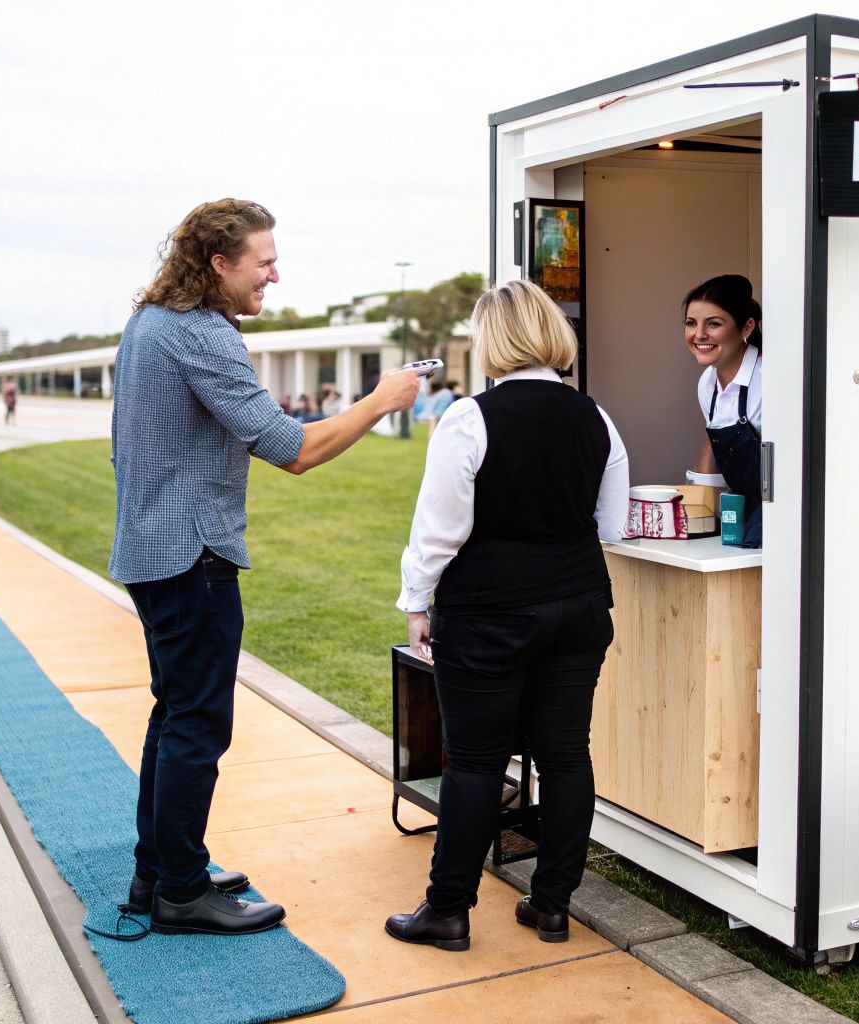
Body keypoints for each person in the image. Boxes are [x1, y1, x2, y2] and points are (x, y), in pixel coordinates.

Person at [109, 198, 419, 937]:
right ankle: (182, 892)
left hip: (152, 551)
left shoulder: (149, 324)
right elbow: (294, 449)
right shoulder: (204, 335)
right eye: (264, 262)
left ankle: (160, 869)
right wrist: (381, 400)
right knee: (196, 725)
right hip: (193, 555)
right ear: (219, 264)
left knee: (174, 713)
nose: (274, 275)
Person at [387, 279, 629, 952]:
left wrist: (416, 602)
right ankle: (552, 905)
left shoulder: (471, 418)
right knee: (566, 756)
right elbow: (610, 522)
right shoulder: (596, 417)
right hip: (579, 606)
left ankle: (447, 910)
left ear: (493, 340)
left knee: (474, 761)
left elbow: (437, 531)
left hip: (490, 613)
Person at [681, 274, 763, 547]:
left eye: (713, 324)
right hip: (740, 514)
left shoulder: (769, 379)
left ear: (746, 327)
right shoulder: (707, 383)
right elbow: (714, 444)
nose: (699, 335)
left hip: (782, 515)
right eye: (691, 323)